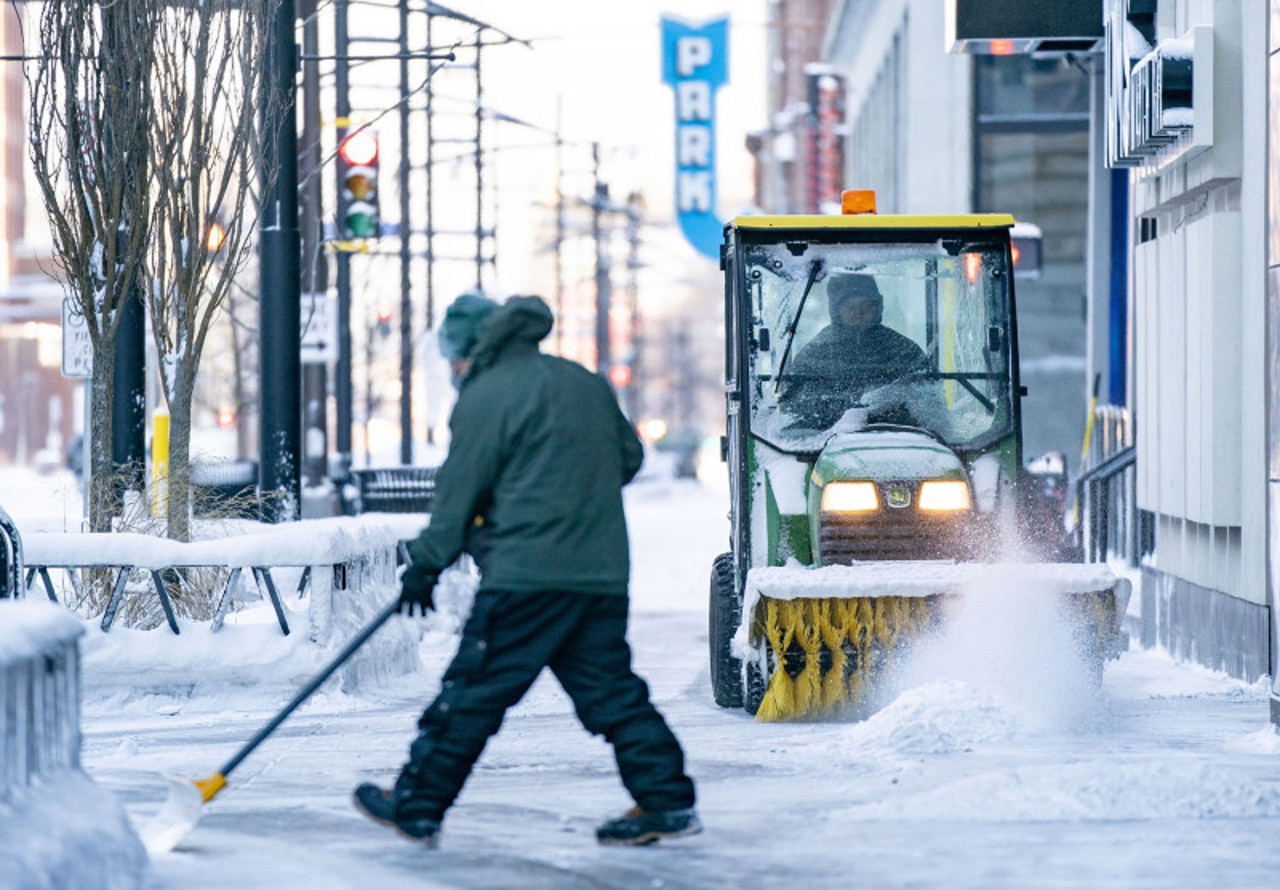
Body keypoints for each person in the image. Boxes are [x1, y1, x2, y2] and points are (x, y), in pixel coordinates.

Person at [352, 294, 699, 848]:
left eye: (453, 359)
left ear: (470, 351)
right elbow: (628, 460)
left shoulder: (486, 396)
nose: (454, 370)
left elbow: (458, 492)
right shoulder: (583, 382)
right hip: (599, 576)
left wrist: (427, 563)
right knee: (612, 693)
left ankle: (417, 806)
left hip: (526, 578)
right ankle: (666, 800)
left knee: (471, 692)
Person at [783, 272, 928, 429]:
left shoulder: (904, 350)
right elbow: (795, 407)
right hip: (827, 440)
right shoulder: (815, 353)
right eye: (850, 307)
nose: (859, 313)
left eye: (866, 306)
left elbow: (927, 400)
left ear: (877, 307)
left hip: (897, 438)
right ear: (837, 310)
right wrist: (845, 408)